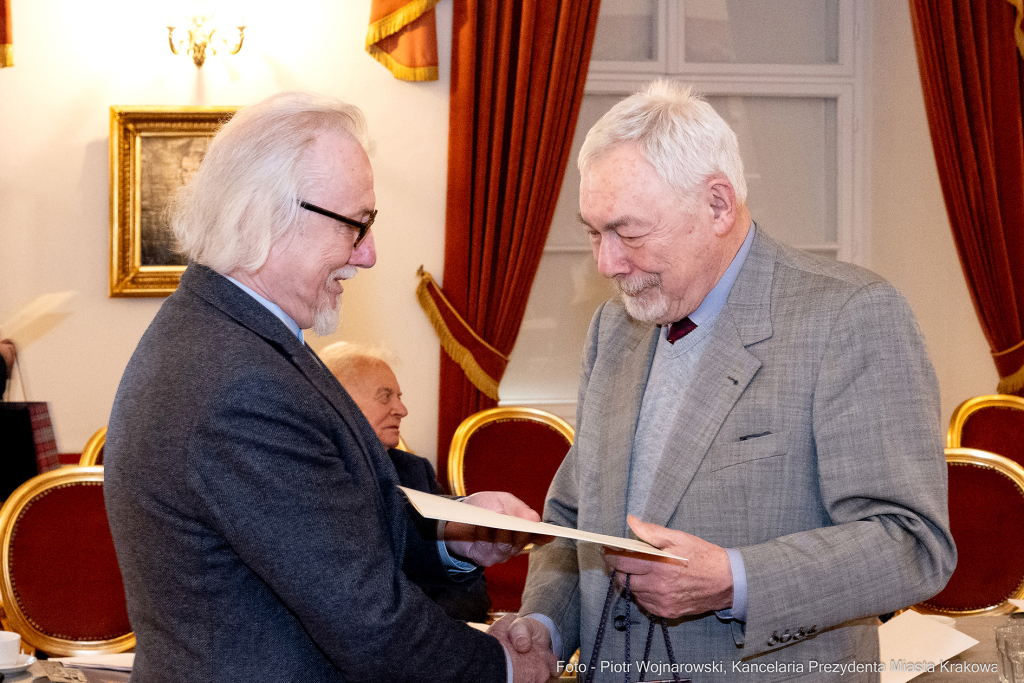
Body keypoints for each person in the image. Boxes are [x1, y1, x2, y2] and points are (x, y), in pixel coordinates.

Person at [508, 81, 956, 681]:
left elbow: (912, 543)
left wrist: (733, 582)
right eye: (594, 232)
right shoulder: (613, 328)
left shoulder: (850, 316)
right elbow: (572, 517)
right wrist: (543, 627)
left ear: (718, 204)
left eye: (628, 232)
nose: (607, 264)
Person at [104, 91, 556, 683]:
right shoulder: (239, 383)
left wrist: (449, 531)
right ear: (264, 215)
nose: (368, 254)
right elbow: (365, 620)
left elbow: (315, 523)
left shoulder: (229, 336)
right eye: (355, 225)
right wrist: (500, 667)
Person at [320, 341, 492, 622]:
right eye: (385, 396)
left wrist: (428, 630)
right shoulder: (314, 476)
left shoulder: (415, 472)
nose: (402, 409)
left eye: (399, 396)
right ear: (338, 402)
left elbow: (470, 586)